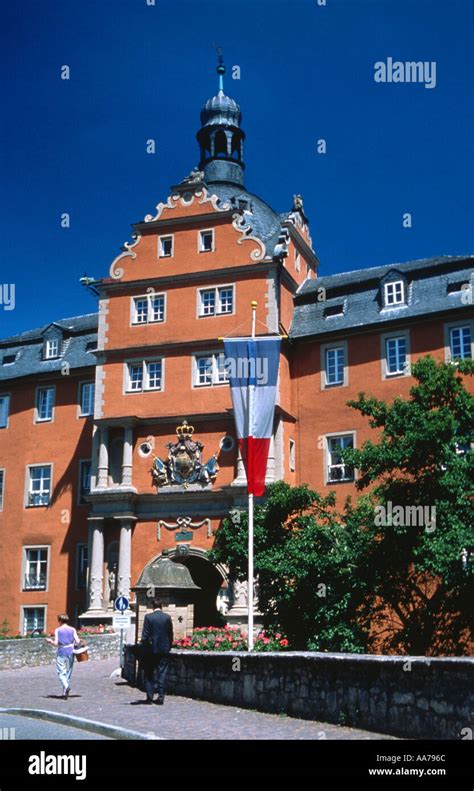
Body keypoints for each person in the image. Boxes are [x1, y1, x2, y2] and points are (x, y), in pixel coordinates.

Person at [140, 599, 173, 705]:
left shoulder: (148, 617)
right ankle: (161, 696)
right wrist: (169, 646)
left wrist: (143, 647)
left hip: (151, 650)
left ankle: (150, 697)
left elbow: (145, 636)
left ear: (152, 606)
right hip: (164, 649)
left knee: (149, 673)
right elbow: (170, 634)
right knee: (162, 672)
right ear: (161, 606)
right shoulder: (167, 618)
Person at [46, 613, 80, 699]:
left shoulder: (58, 630)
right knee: (68, 672)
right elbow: (78, 641)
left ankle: (66, 686)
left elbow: (56, 643)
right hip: (71, 651)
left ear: (60, 620)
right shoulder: (72, 629)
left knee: (61, 671)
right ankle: (65, 693)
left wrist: (50, 641)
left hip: (61, 651)